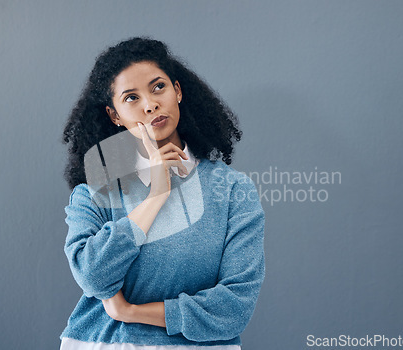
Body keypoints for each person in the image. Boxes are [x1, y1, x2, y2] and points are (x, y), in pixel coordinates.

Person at [60, 37, 265, 350]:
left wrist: (130, 311)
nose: (149, 104)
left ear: (178, 91)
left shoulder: (233, 190)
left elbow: (234, 308)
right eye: (131, 97)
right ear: (114, 115)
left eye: (158, 87)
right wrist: (156, 196)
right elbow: (93, 276)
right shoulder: (96, 190)